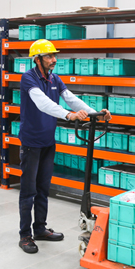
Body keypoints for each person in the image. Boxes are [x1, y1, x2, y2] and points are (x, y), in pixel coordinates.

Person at [18, 39, 111, 254]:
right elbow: (43, 103)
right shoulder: (28, 78)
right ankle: (25, 235)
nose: (54, 59)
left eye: (54, 55)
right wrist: (68, 115)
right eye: (49, 56)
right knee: (29, 191)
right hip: (31, 142)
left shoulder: (54, 78)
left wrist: (95, 113)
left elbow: (71, 99)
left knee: (43, 188)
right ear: (37, 59)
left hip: (48, 141)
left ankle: (39, 229)